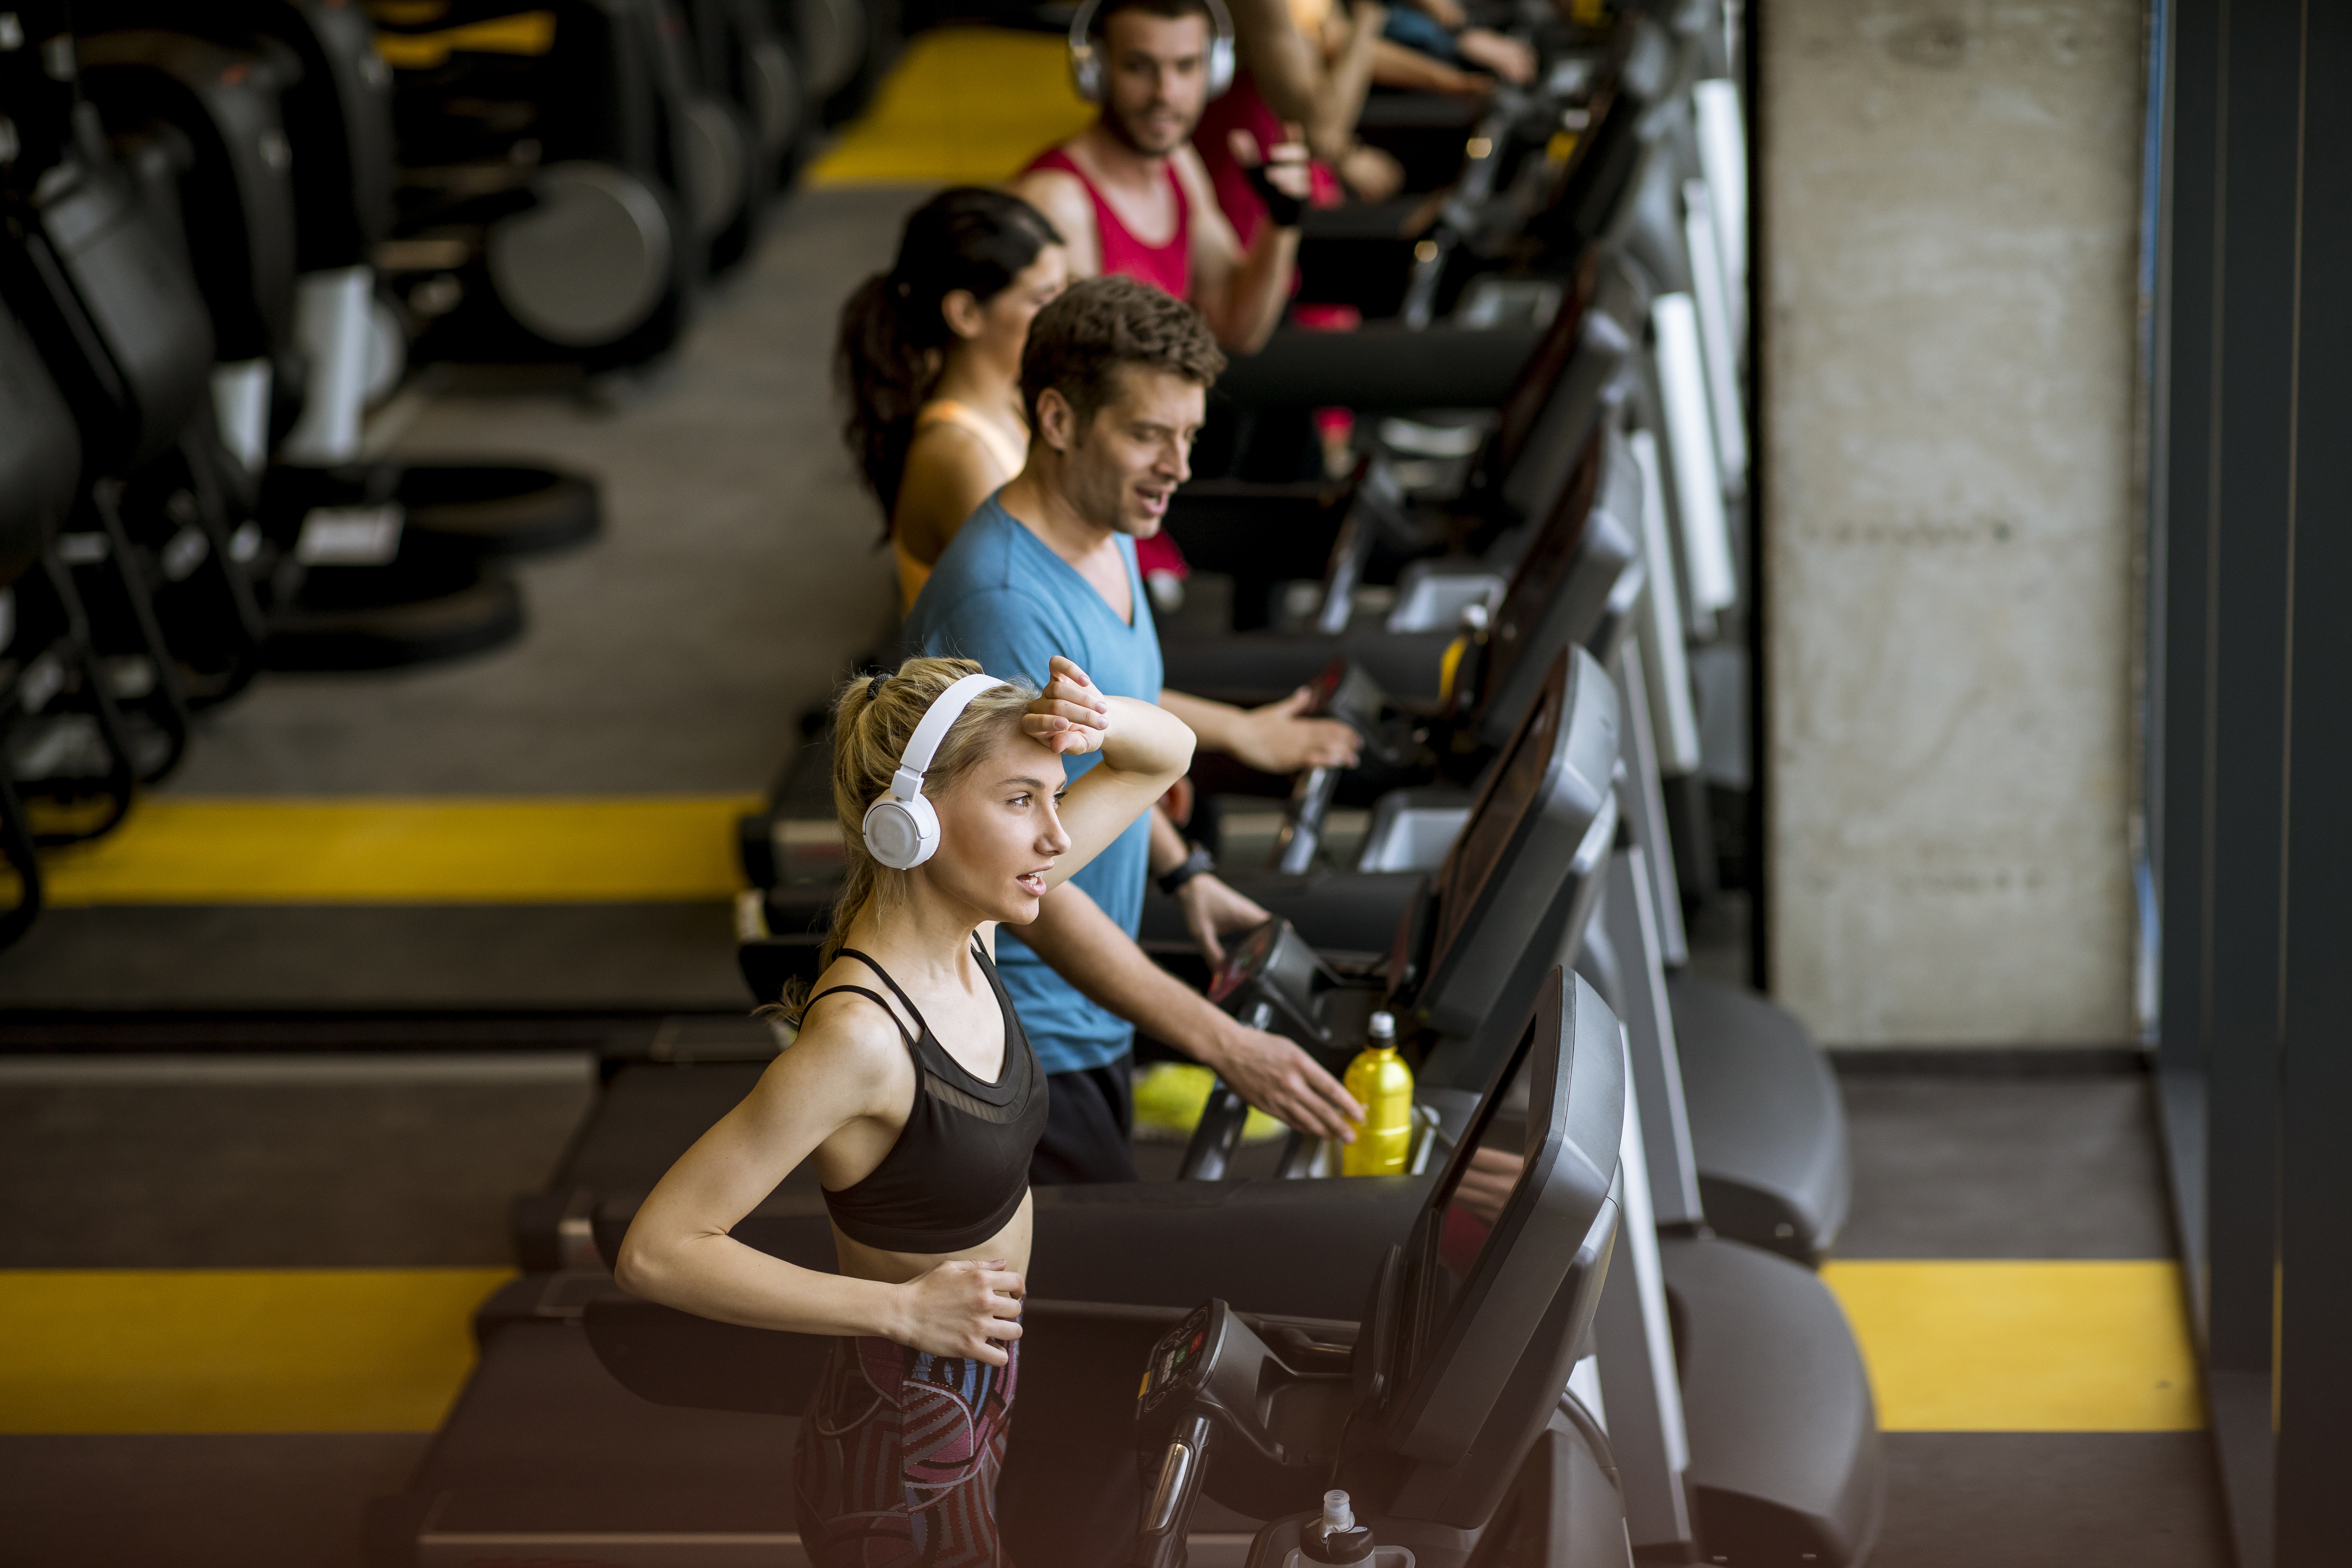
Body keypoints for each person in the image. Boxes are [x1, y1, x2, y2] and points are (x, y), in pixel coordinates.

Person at [615, 651, 1194, 1565]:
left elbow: (1166, 755)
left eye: (1055, 798)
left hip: (976, 1381)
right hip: (904, 1433)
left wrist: (1092, 718)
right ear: (913, 822)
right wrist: (899, 1314)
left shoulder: (982, 927)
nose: (1055, 838)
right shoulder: (862, 1039)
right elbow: (657, 1252)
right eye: (1019, 801)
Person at [906, 274, 1367, 1191]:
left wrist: (1182, 873)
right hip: (1016, 1038)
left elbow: (1093, 749)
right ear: (1060, 420)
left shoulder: (1105, 526)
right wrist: (1222, 1043)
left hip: (1083, 1024)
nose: (1178, 466)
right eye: (1148, 435)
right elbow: (1021, 877)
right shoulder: (1006, 603)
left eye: (1188, 436)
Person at [1010, 0, 1311, 355]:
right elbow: (1078, 378)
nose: (1165, 94)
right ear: (1096, 71)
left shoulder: (1179, 165)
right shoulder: (1058, 201)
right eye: (1139, 67)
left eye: (1186, 67)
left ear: (1215, 71)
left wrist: (1281, 222)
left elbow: (1236, 327)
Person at [836, 188, 1070, 612]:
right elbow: (1028, 614)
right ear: (965, 314)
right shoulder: (962, 454)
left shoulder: (1012, 401)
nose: (1063, 313)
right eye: (1041, 300)